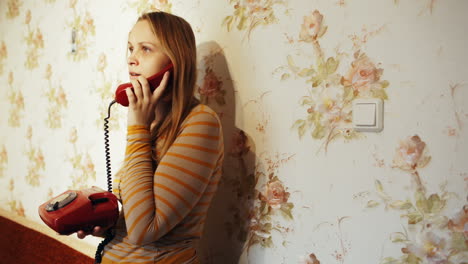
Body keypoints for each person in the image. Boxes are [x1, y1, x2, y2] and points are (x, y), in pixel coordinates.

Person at [77, 11, 224, 264]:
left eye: (146, 49)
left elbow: (144, 230)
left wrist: (136, 127)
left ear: (175, 61)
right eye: (131, 48)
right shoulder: (153, 122)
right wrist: (108, 222)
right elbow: (138, 212)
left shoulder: (200, 123)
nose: (132, 59)